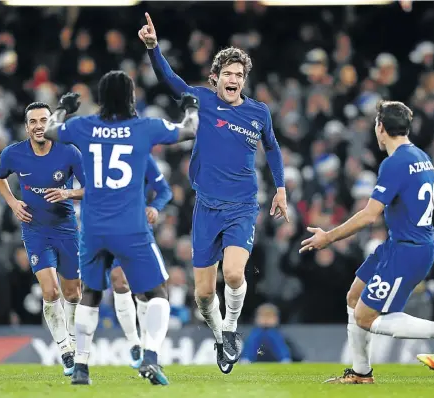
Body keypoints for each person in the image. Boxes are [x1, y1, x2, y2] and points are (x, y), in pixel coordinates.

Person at [138, 12, 288, 375]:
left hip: (241, 206)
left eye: (239, 75)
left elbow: (272, 147)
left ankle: (232, 329)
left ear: (243, 80)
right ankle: (221, 338)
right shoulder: (202, 101)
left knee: (234, 274)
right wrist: (153, 49)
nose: (234, 79)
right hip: (205, 207)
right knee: (204, 296)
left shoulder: (258, 112)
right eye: (228, 74)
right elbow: (170, 81)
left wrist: (280, 188)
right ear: (216, 78)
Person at [43, 70, 199, 386]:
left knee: (91, 294)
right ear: (130, 97)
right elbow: (189, 130)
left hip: (93, 227)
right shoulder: (144, 128)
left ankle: (82, 369)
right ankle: (151, 357)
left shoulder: (84, 126)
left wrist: (64, 107)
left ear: (101, 98)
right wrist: (191, 105)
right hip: (131, 228)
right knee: (157, 292)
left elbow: (48, 129)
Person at [299, 100, 434, 383]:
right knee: (354, 298)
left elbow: (369, 216)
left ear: (381, 128)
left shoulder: (394, 163)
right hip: (399, 244)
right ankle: (361, 373)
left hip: (409, 250)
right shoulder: (421, 156)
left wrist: (328, 237)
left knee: (366, 317)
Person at [0, 101, 85, 376]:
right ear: (26, 126)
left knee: (72, 292)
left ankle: (72, 339)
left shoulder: (69, 152)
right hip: (35, 229)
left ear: (51, 123)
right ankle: (65, 348)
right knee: (50, 291)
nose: (38, 126)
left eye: (43, 120)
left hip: (66, 227)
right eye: (33, 121)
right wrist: (12, 202)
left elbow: (92, 187)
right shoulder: (13, 154)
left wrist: (67, 194)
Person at [110, 154, 173, 369]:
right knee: (118, 280)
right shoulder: (97, 153)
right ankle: (134, 342)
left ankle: (148, 350)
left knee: (148, 291)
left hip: (138, 230)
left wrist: (155, 206)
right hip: (106, 228)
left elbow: (165, 190)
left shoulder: (143, 157)